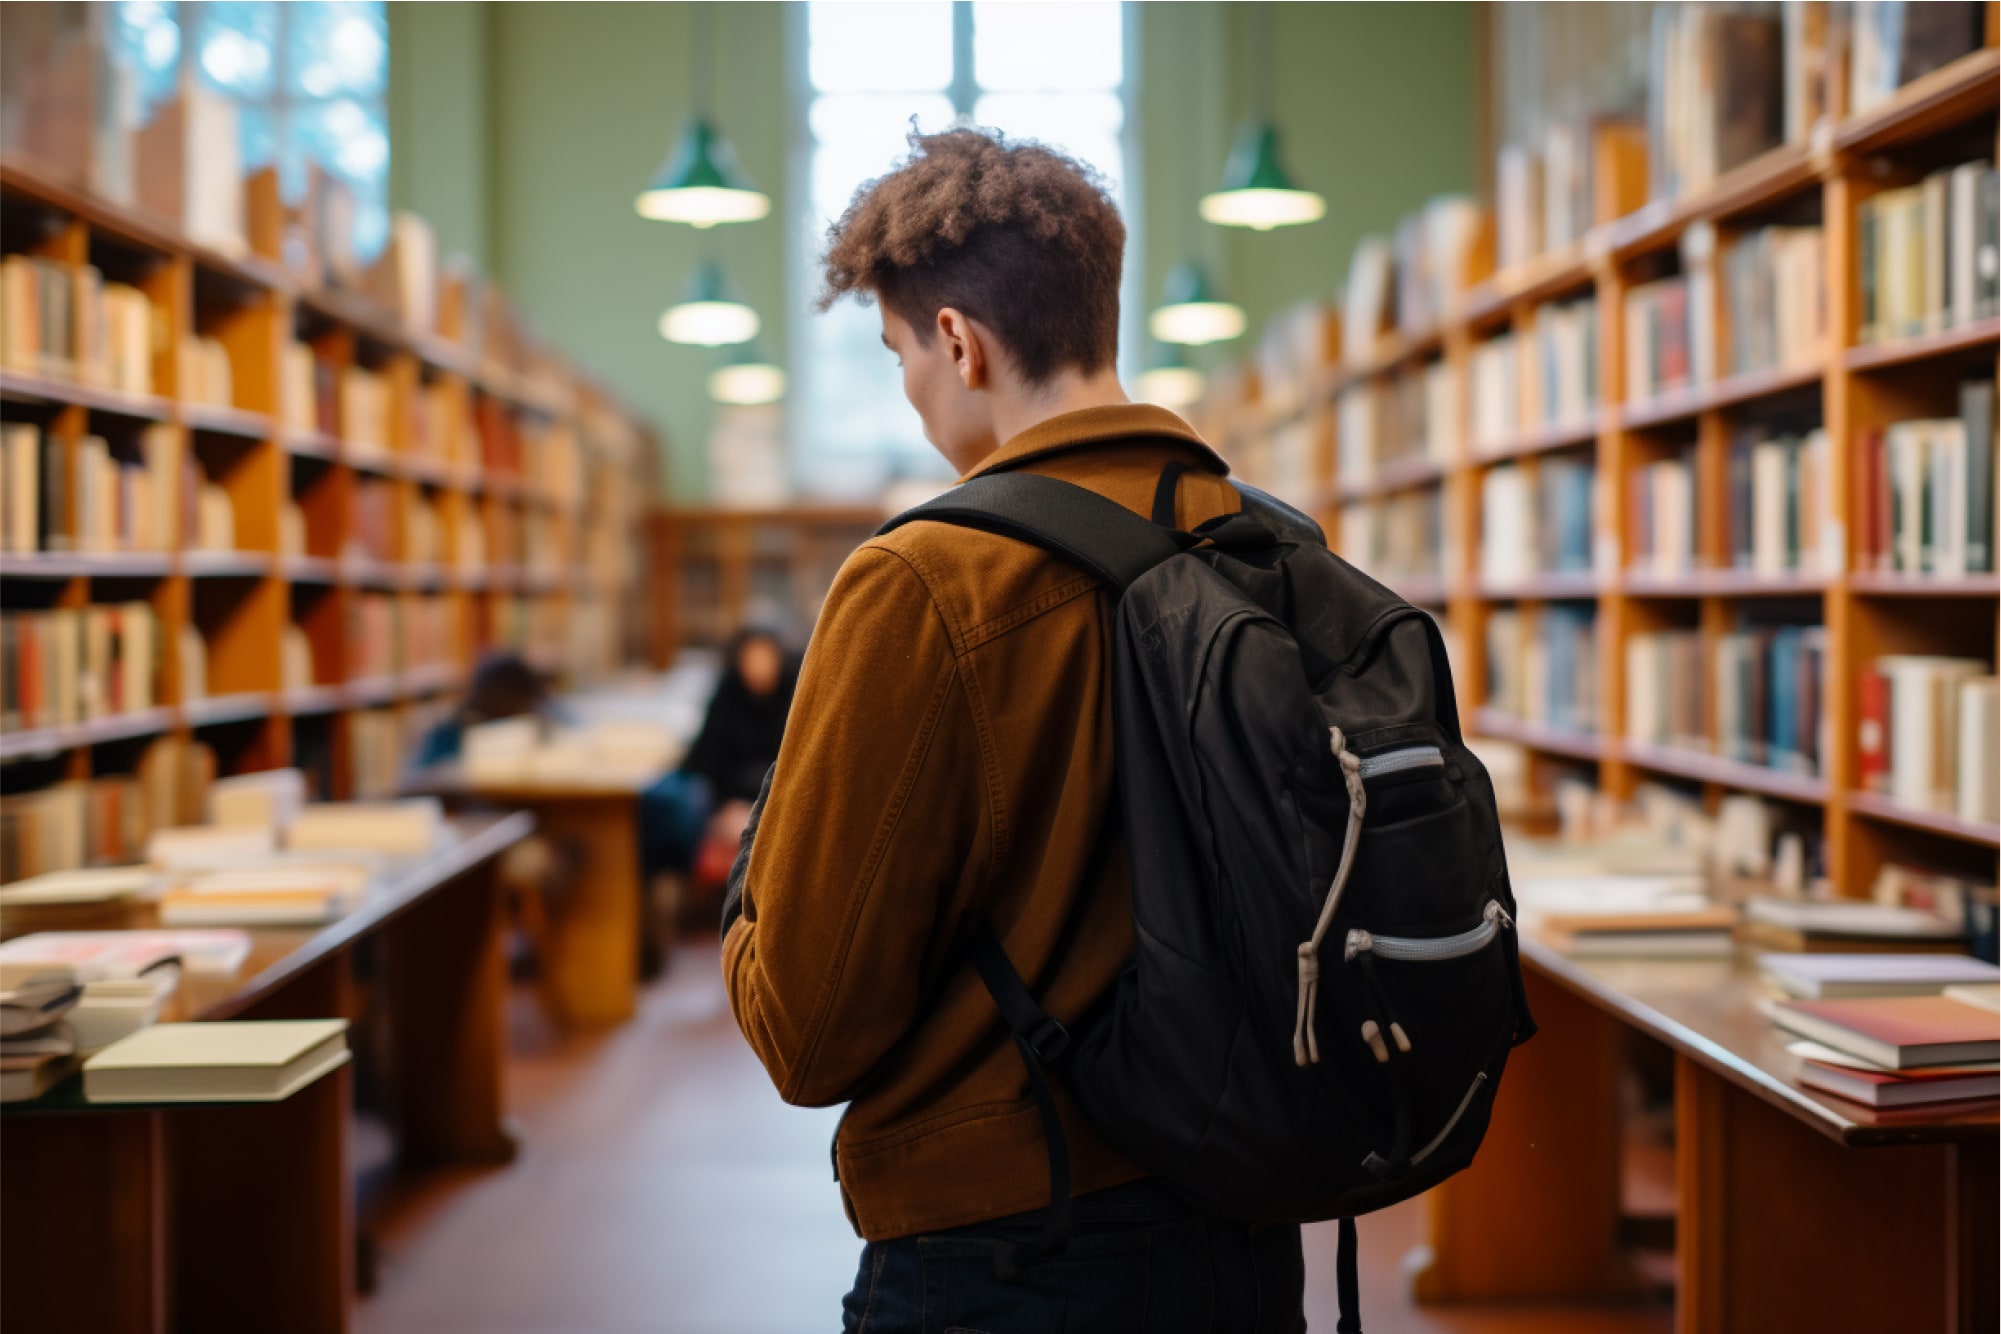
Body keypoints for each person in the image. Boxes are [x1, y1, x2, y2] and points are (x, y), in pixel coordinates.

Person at [721, 129, 1306, 1332]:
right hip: (1245, 1219)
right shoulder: (1270, 547)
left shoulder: (927, 581)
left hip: (1006, 1250)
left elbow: (808, 1028)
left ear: (956, 342)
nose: (911, 391)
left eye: (897, 355)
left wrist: (744, 891)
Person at [678, 626, 798, 901]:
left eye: (766, 658)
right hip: (729, 810)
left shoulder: (796, 698)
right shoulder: (726, 697)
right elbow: (704, 763)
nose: (759, 667)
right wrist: (722, 811)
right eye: (751, 659)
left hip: (779, 809)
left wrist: (764, 812)